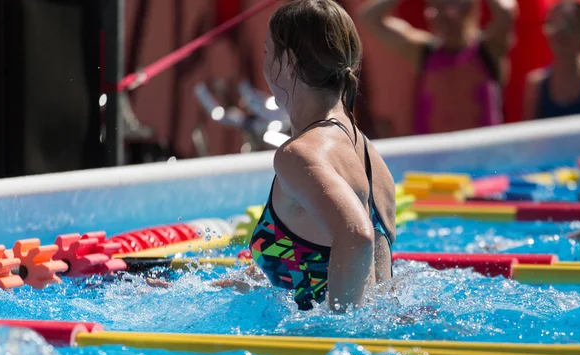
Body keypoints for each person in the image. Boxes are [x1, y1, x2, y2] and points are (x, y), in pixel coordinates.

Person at [214, 0, 397, 313]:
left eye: (267, 51)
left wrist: (337, 333)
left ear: (290, 62)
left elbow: (356, 240)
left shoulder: (300, 154)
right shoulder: (370, 157)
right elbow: (328, 272)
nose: (264, 63)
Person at [358, 0, 517, 135]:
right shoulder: (423, 52)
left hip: (484, 160)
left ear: (470, 8)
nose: (444, 16)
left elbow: (506, 11)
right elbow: (369, 17)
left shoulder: (489, 48)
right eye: (436, 9)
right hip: (435, 163)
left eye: (452, 6)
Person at [523, 1, 580, 120]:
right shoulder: (536, 87)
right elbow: (529, 135)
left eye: (569, 26)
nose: (561, 34)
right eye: (554, 26)